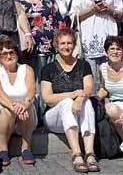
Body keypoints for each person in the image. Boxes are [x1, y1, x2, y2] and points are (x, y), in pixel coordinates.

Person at [41, 28, 98, 173]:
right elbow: (48, 98)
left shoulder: (84, 65)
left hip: (78, 113)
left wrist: (79, 99)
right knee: (66, 102)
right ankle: (77, 154)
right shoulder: (48, 69)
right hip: (54, 118)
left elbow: (88, 88)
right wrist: (72, 95)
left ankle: (90, 153)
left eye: (69, 43)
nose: (66, 47)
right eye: (62, 43)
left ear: (74, 45)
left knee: (87, 101)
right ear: (56, 45)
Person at [69, 0, 123, 89]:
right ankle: (94, 106)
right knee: (92, 80)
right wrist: (92, 9)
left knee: (111, 77)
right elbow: (73, 16)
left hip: (109, 37)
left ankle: (111, 106)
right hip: (89, 39)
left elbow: (120, 13)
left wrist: (109, 9)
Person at [0, 37, 37, 166]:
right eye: (4, 54)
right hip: (3, 115)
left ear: (16, 54)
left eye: (11, 52)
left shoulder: (27, 69)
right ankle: (3, 147)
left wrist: (24, 104)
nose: (9, 56)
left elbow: (32, 90)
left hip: (24, 114)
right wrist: (14, 106)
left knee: (30, 107)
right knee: (6, 109)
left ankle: (26, 147)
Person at [19, 0, 70, 91]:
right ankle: (40, 108)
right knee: (39, 80)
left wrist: (61, 39)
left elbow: (59, 20)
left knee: (53, 79)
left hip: (53, 46)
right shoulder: (22, 4)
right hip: (35, 49)